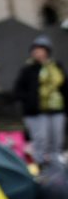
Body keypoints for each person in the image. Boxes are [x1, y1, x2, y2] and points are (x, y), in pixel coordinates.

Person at [14, 35, 68, 167]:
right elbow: (18, 90)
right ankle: (41, 167)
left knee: (57, 140)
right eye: (34, 49)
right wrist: (29, 101)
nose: (36, 52)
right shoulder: (28, 69)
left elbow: (64, 86)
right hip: (37, 112)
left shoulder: (56, 67)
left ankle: (57, 169)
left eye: (39, 49)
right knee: (41, 140)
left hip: (57, 109)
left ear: (47, 51)